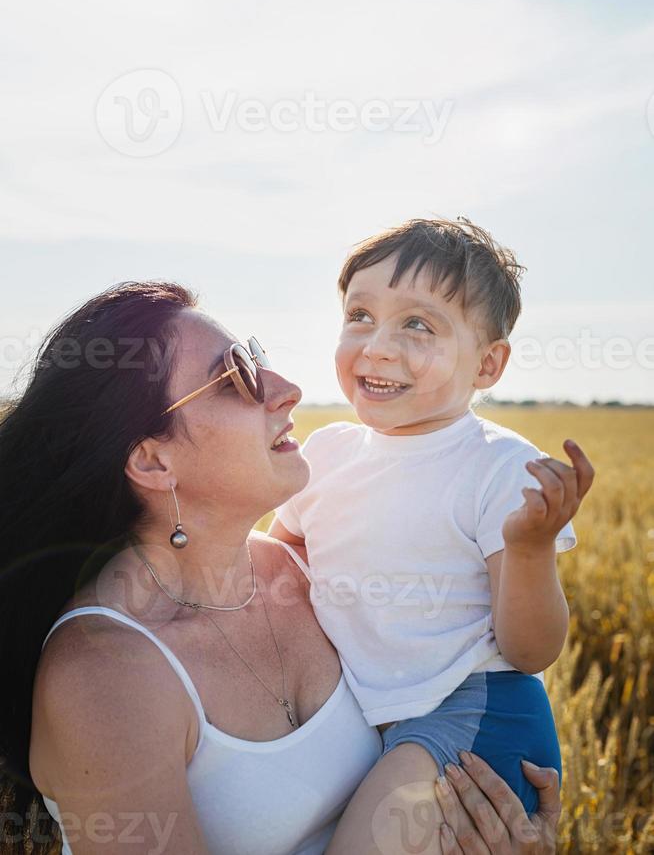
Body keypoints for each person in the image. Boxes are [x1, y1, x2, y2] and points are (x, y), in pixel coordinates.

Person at [0, 280, 563, 854]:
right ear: (153, 459)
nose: (288, 390)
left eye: (258, 356)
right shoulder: (105, 674)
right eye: (237, 376)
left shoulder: (315, 573)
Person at [269, 217, 594, 854]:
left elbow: (531, 651)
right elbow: (272, 569)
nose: (378, 346)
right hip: (367, 720)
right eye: (360, 314)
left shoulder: (500, 467)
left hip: (475, 714)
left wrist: (528, 550)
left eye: (418, 325)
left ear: (488, 363)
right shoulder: (327, 453)